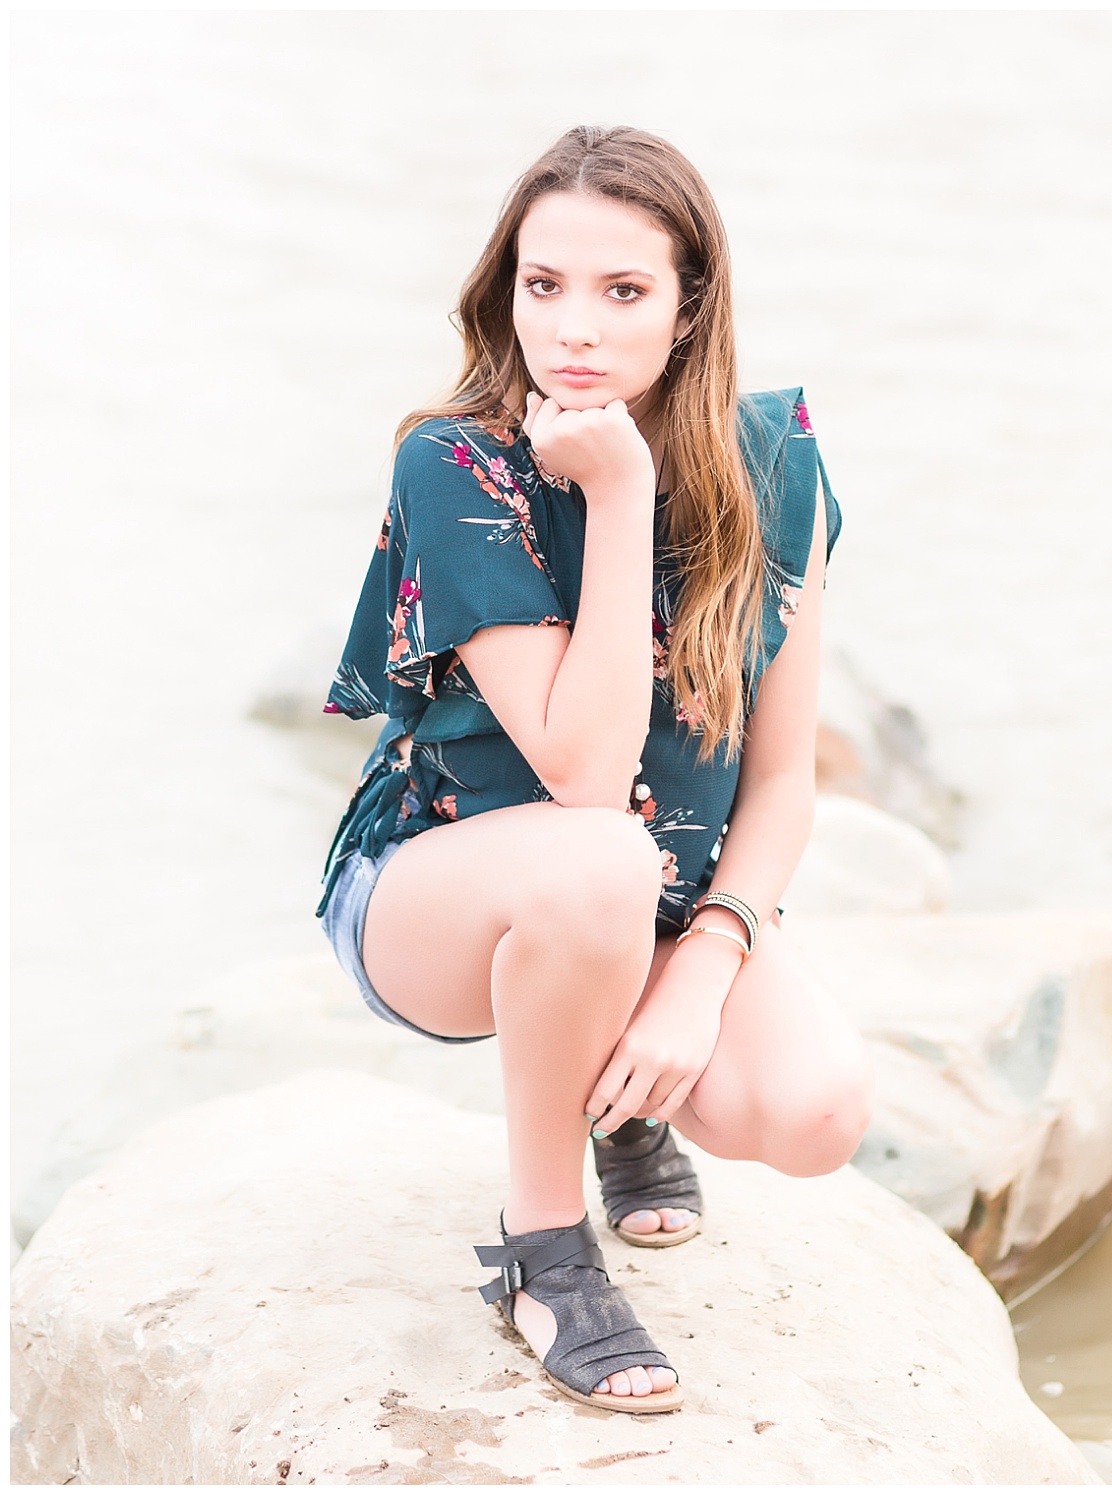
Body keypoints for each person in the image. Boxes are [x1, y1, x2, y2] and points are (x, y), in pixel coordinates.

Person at [317, 125, 872, 1415]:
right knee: (597, 857)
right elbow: (577, 777)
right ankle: (543, 1254)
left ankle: (631, 1103)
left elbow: (782, 779)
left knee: (815, 1115)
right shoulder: (456, 464)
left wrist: (706, 969)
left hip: (653, 892)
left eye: (624, 292)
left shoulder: (774, 463)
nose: (574, 327)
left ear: (689, 312)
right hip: (444, 895)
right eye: (542, 283)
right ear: (505, 289)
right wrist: (618, 503)